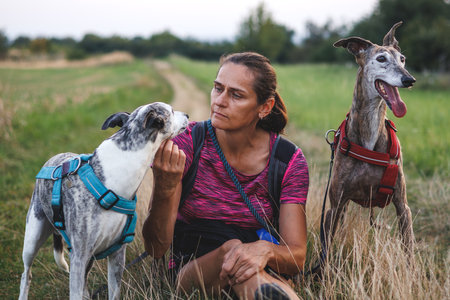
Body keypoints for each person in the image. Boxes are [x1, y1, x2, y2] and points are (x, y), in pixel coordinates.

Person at [142, 52, 308, 299]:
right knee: (231, 252)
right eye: (218, 89)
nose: (219, 101)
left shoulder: (287, 161)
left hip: (257, 265)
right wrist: (164, 188)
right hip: (192, 271)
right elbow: (156, 248)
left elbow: (296, 256)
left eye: (236, 95)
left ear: (265, 107)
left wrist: (265, 251)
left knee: (245, 263)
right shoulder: (188, 143)